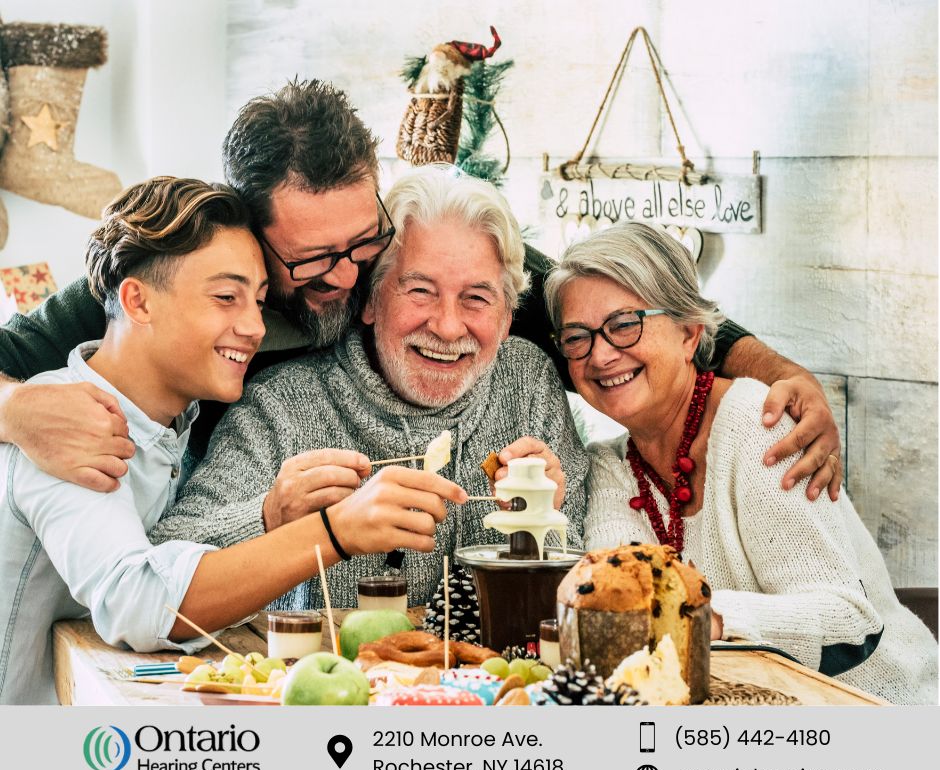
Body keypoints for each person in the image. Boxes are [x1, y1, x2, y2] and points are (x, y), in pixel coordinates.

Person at [0, 79, 842, 502]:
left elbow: (615, 303)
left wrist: (778, 373)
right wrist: (13, 411)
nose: (346, 273)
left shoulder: (408, 251)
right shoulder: (181, 264)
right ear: (253, 232)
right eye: (310, 259)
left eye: (362, 243)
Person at [0, 177, 466, 704]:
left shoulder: (175, 422)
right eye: (226, 297)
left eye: (259, 300)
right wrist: (335, 533)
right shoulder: (68, 423)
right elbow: (136, 601)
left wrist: (275, 519)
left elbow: (168, 562)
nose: (253, 326)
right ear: (138, 301)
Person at [150, 165, 588, 610]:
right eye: (420, 290)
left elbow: (590, 573)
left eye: (476, 297)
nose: (449, 326)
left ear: (507, 316)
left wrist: (545, 522)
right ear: (371, 301)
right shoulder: (280, 407)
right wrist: (268, 516)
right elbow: (162, 570)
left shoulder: (527, 381)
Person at [543, 221, 936, 704]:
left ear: (689, 334)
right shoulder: (611, 467)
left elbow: (847, 620)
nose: (600, 355)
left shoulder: (760, 422)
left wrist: (701, 617)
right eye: (577, 337)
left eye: (625, 324)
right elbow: (618, 612)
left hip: (872, 715)